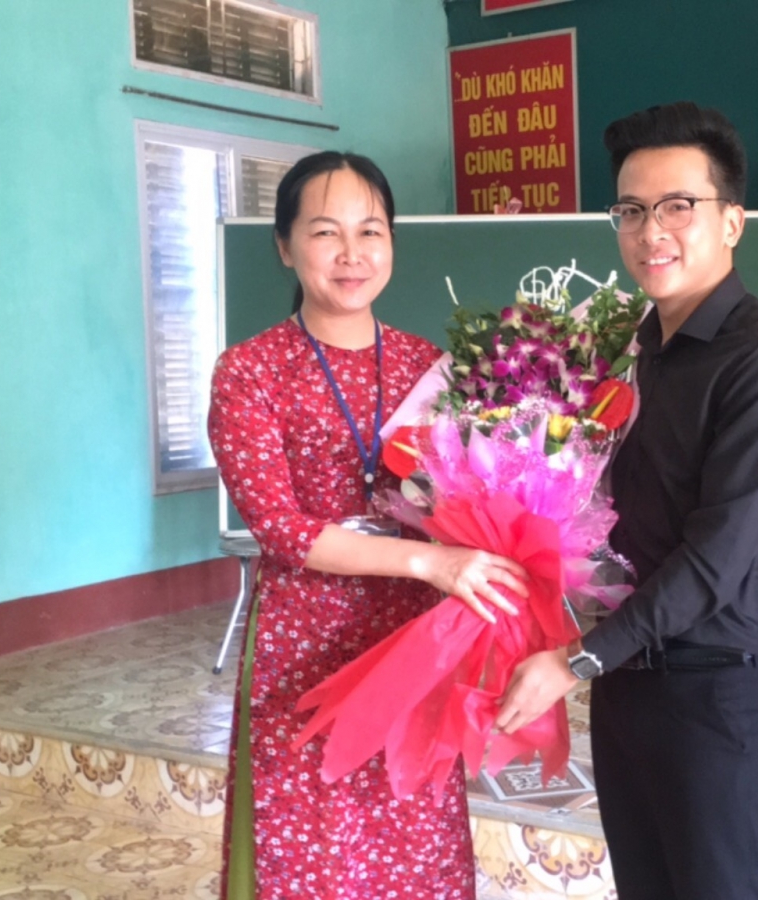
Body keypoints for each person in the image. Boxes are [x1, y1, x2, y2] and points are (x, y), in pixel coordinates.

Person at [495, 102, 758, 900]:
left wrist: (577, 660)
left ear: (732, 221)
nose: (652, 233)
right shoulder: (634, 348)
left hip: (717, 695)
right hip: (628, 682)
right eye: (632, 211)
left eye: (679, 206)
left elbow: (715, 562)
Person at [208, 150, 525, 900]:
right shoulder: (249, 372)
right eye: (326, 232)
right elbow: (282, 530)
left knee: (413, 829)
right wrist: (430, 564)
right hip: (304, 638)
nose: (351, 253)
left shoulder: (433, 367)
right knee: (311, 841)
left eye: (370, 231)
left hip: (411, 639)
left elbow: (472, 499)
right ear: (285, 246)